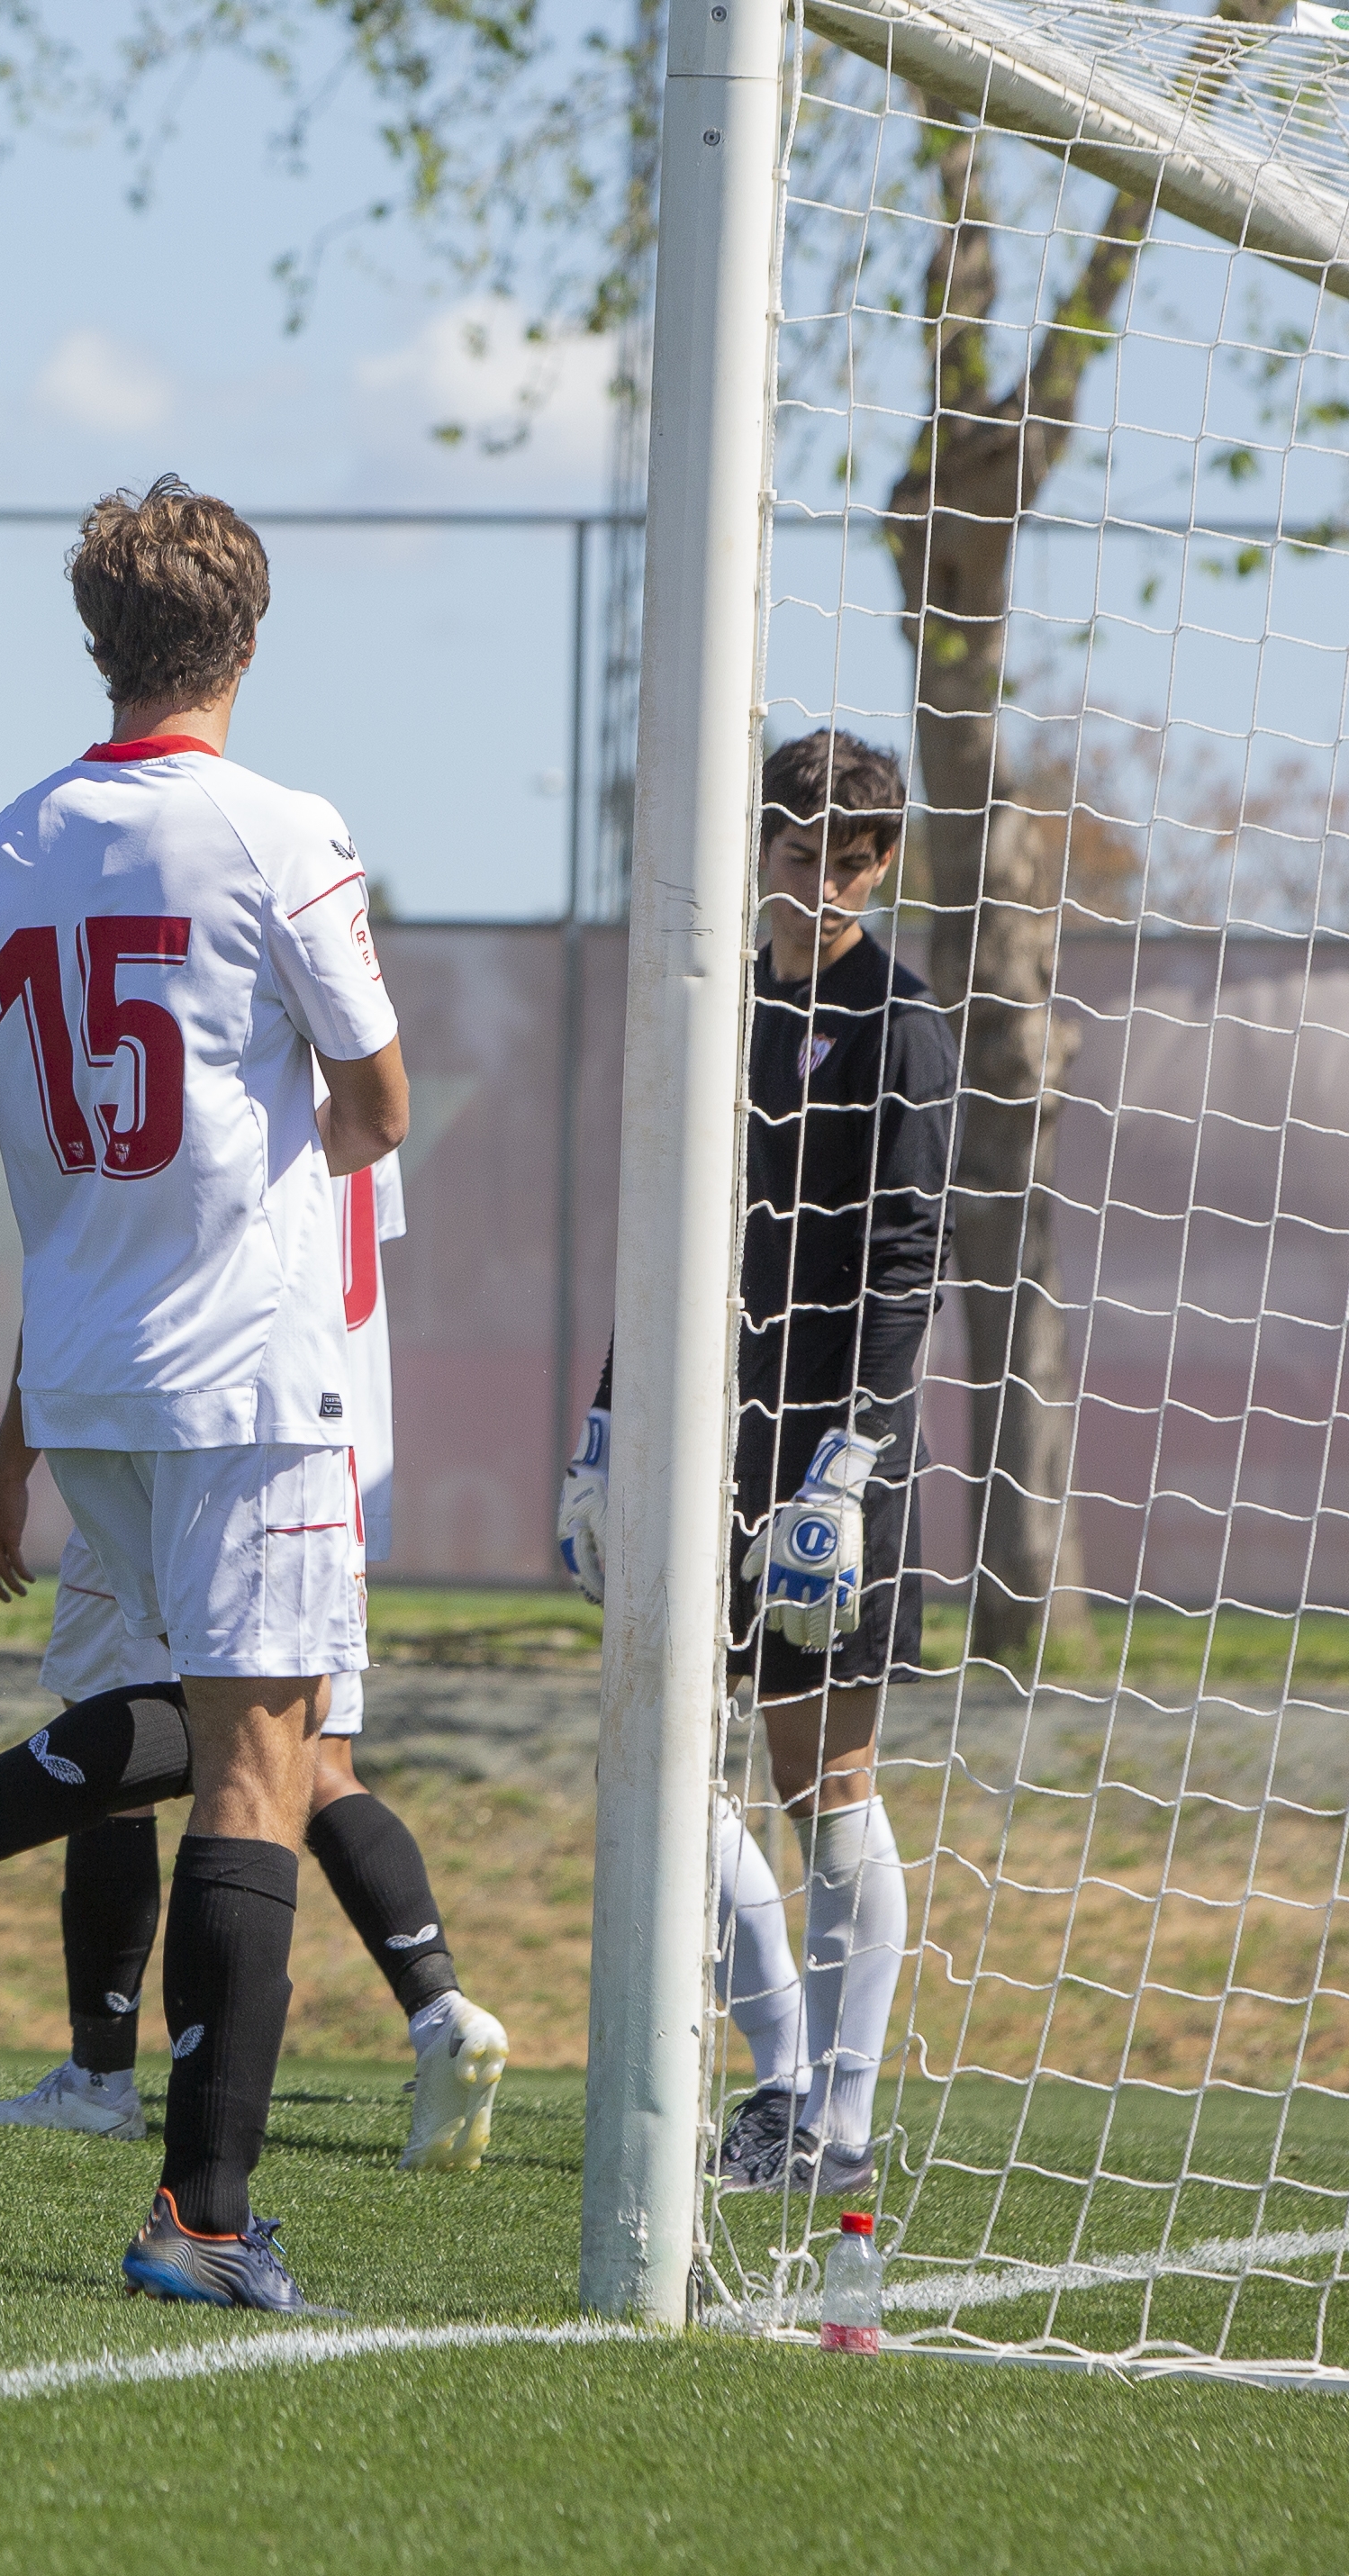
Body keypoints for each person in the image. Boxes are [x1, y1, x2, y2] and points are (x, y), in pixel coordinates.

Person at [0, 477, 407, 2311]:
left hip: (78, 1383)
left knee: (167, 1729)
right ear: (247, 640)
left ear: (95, 642)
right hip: (248, 1376)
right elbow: (377, 1106)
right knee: (261, 1761)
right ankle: (203, 2212)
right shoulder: (280, 825)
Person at [0, 1143, 512, 2176]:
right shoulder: (351, 1095)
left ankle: (97, 2073)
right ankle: (439, 2008)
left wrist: (11, 1468)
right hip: (331, 1451)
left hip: (196, 1433)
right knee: (311, 1759)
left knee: (121, 1728)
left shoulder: (238, 1081)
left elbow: (105, 1254)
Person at [557, 728, 949, 2201]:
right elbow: (661, 1239)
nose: (818, 891)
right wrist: (606, 1427)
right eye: (796, 860)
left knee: (822, 1776)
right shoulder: (713, 1008)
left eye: (848, 865)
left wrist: (845, 1469)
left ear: (883, 862)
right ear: (758, 848)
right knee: (662, 1759)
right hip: (693, 1436)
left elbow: (907, 1259)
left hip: (827, 1454)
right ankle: (780, 2077)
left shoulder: (901, 1021)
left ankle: (839, 2114)